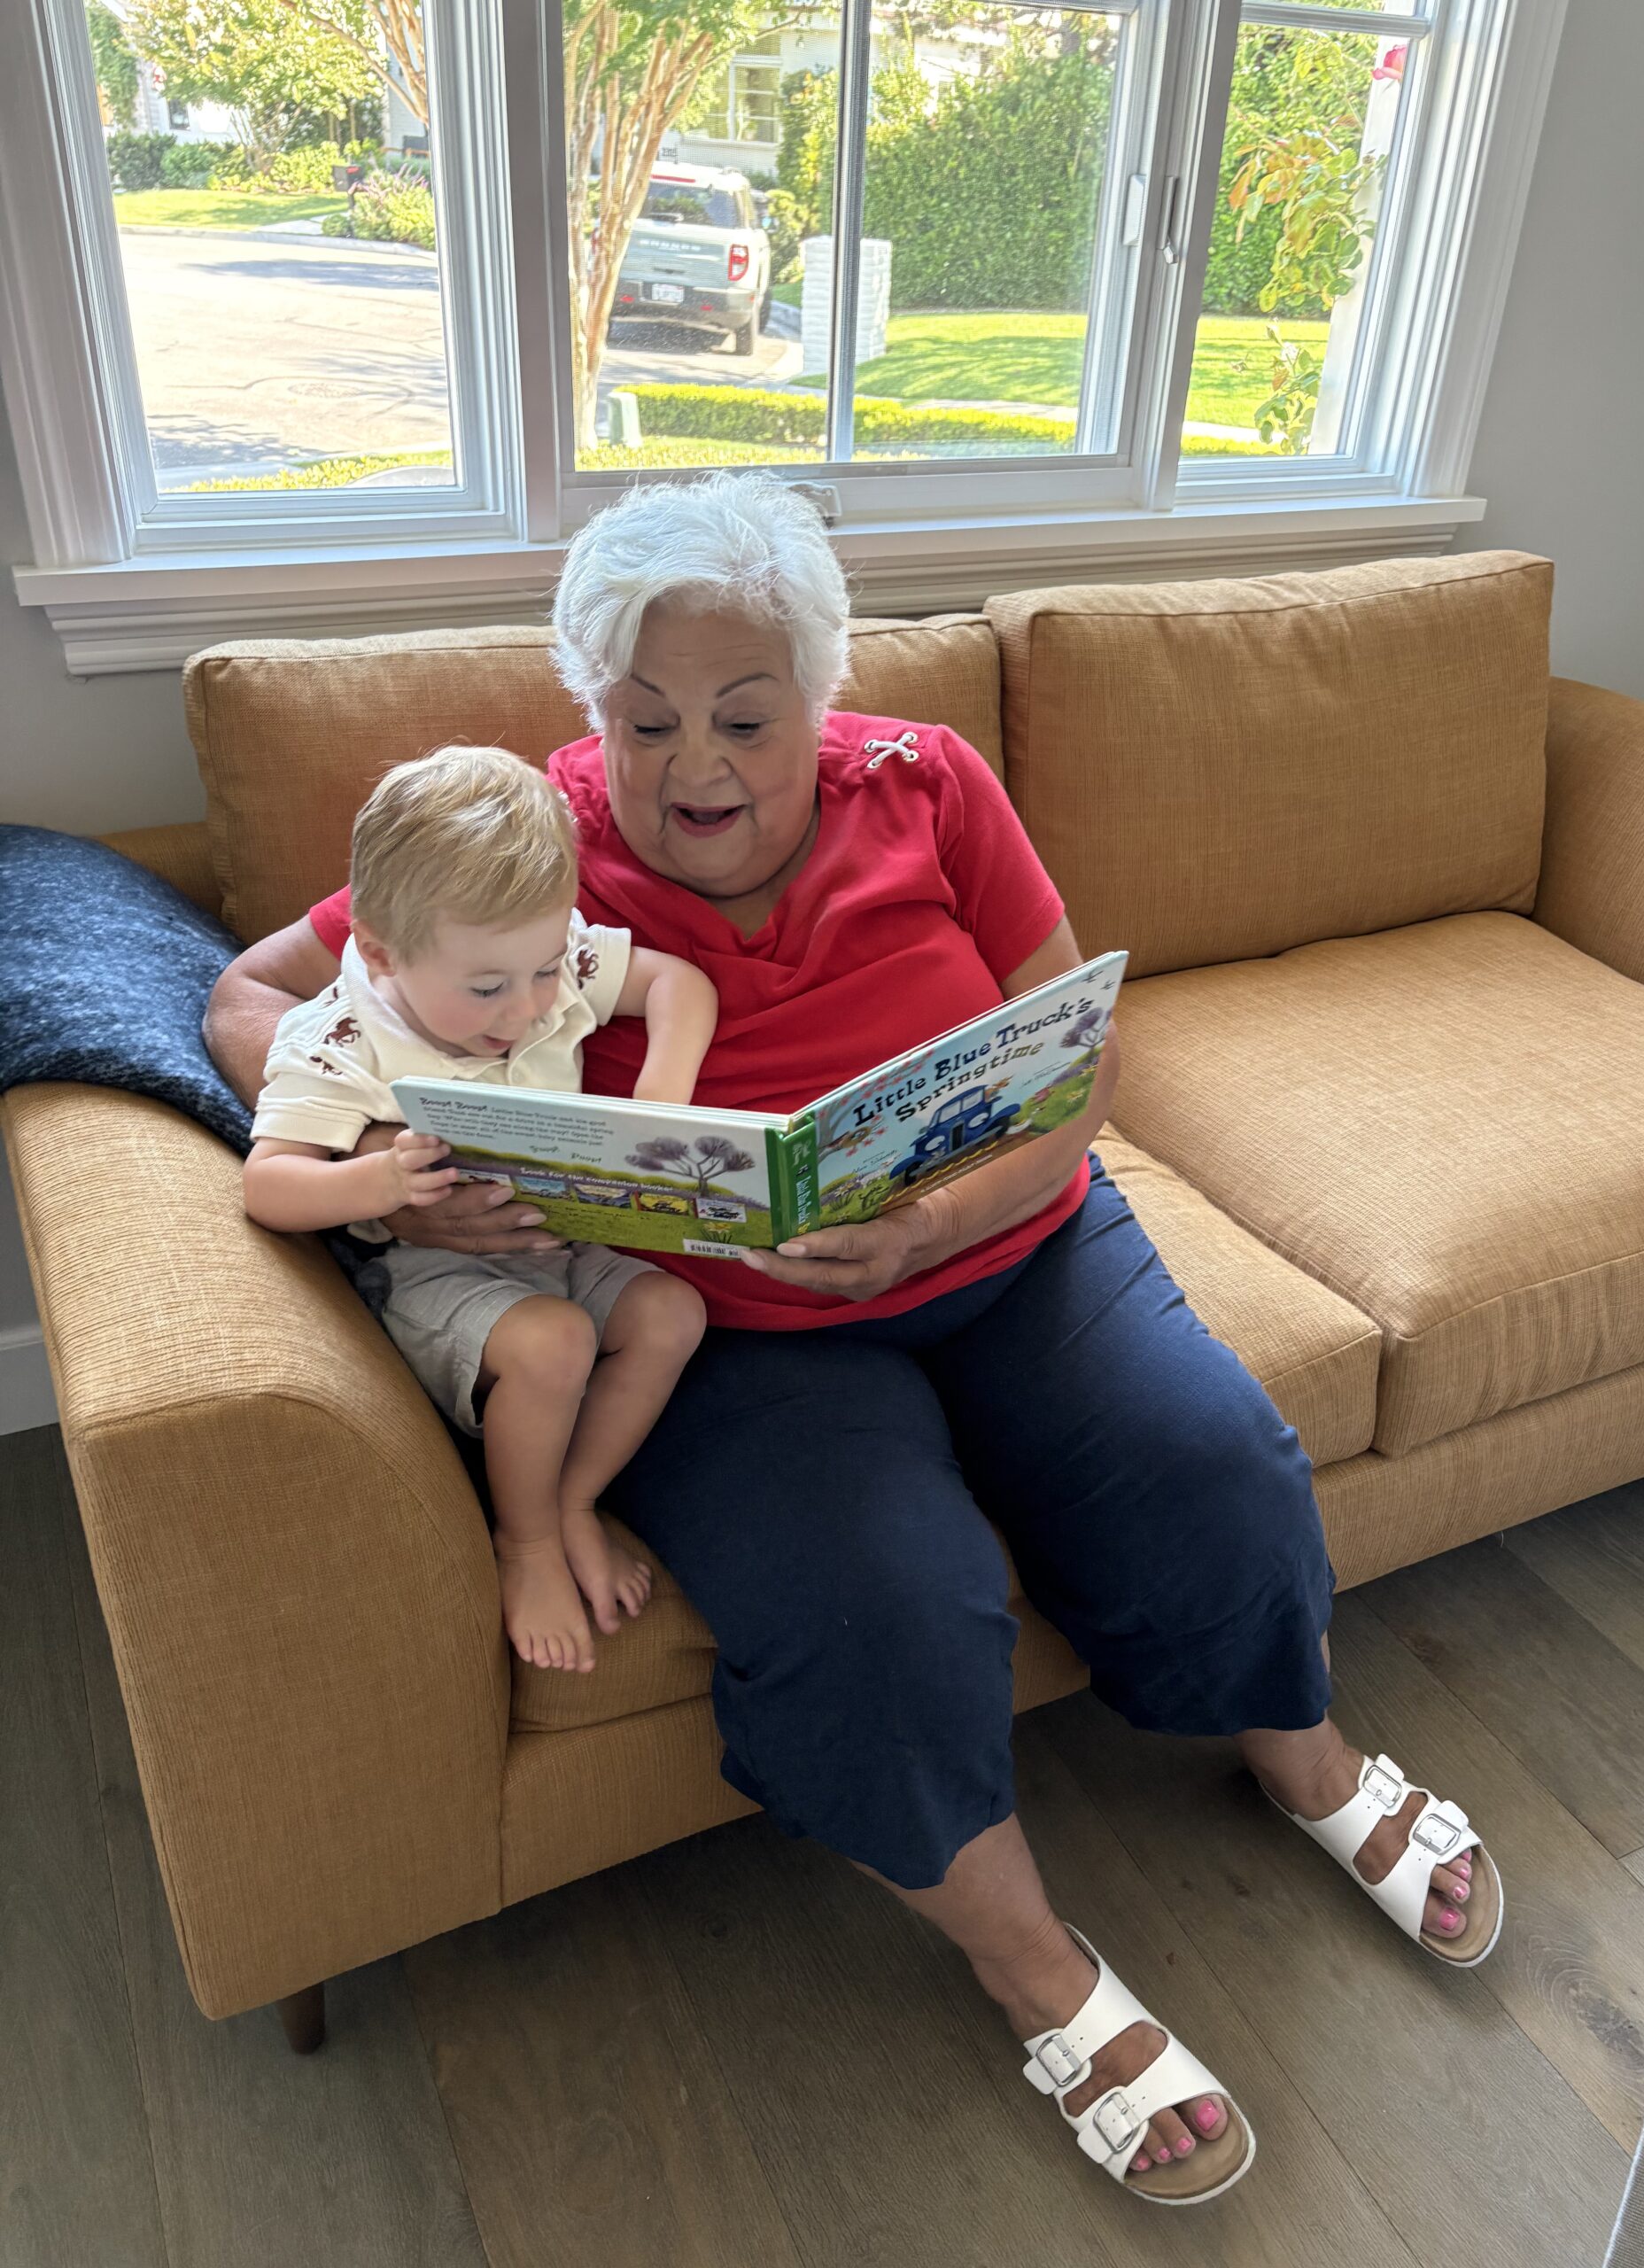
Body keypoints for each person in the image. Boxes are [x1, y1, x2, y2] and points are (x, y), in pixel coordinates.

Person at [209, 474, 1502, 2206]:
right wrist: (381, 1175)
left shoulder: (934, 785)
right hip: (727, 1335)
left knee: (1217, 1469)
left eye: (748, 715)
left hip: (1010, 1245)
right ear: (588, 708)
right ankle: (1034, 1966)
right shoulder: (519, 839)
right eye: (645, 718)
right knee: (878, 1611)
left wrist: (941, 1217)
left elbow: (1070, 1060)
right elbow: (247, 997)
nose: (698, 765)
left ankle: (1305, 1756)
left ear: (821, 697)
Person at [243, 744, 716, 1674]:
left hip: (558, 1233)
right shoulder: (339, 1037)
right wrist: (372, 1183)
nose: (530, 1008)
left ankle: (576, 1497)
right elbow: (268, 1183)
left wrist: (662, 1097)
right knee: (555, 1343)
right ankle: (528, 1539)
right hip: (434, 1270)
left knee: (674, 1312)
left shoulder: (549, 961)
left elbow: (678, 984)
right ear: (380, 949)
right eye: (490, 988)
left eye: (544, 970)